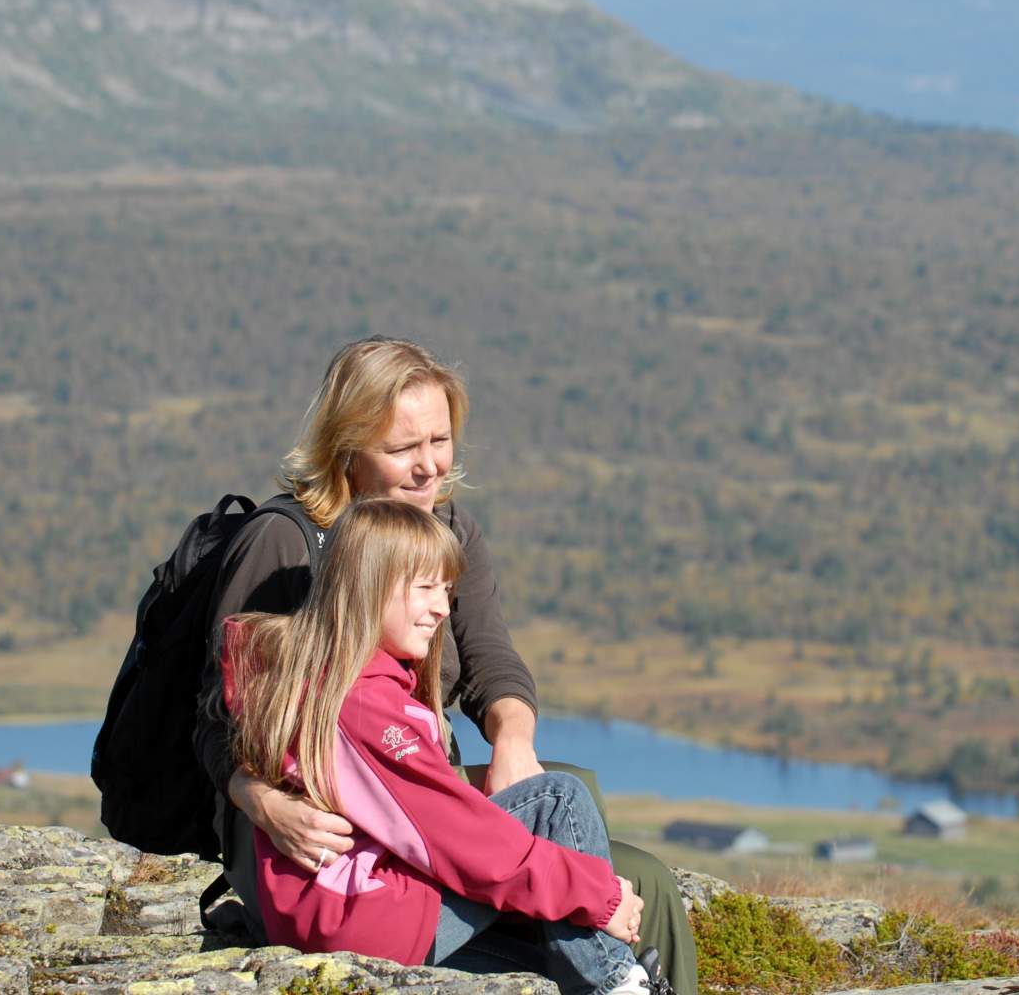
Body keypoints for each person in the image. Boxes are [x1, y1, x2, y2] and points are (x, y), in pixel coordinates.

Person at [194, 336, 697, 993]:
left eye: (440, 440)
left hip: (411, 793)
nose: (430, 466)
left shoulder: (446, 529)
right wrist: (260, 800)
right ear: (345, 449)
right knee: (615, 873)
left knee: (608, 843)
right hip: (313, 848)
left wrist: (514, 741)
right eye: (404, 449)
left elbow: (492, 663)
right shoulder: (285, 543)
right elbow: (212, 717)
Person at [224, 499, 655, 995]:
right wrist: (598, 896)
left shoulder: (313, 674)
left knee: (543, 967)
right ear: (368, 587)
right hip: (365, 918)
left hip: (330, 914)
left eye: (446, 590)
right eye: (425, 587)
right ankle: (619, 983)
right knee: (559, 799)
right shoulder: (364, 702)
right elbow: (458, 837)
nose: (441, 608)